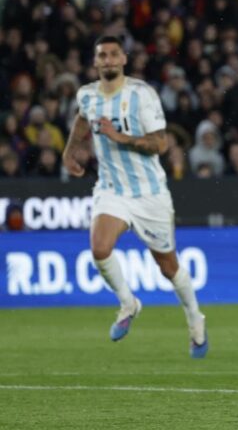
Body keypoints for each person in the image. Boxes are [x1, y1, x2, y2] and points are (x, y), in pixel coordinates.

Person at [61, 35, 208, 357]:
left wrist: (120, 137)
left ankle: (195, 319)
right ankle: (128, 303)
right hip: (112, 189)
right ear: (96, 61)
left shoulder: (142, 94)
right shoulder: (87, 95)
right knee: (99, 248)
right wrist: (71, 150)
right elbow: (82, 119)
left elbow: (160, 144)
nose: (108, 60)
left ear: (124, 59)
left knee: (168, 267)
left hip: (149, 193)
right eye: (102, 55)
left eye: (114, 54)